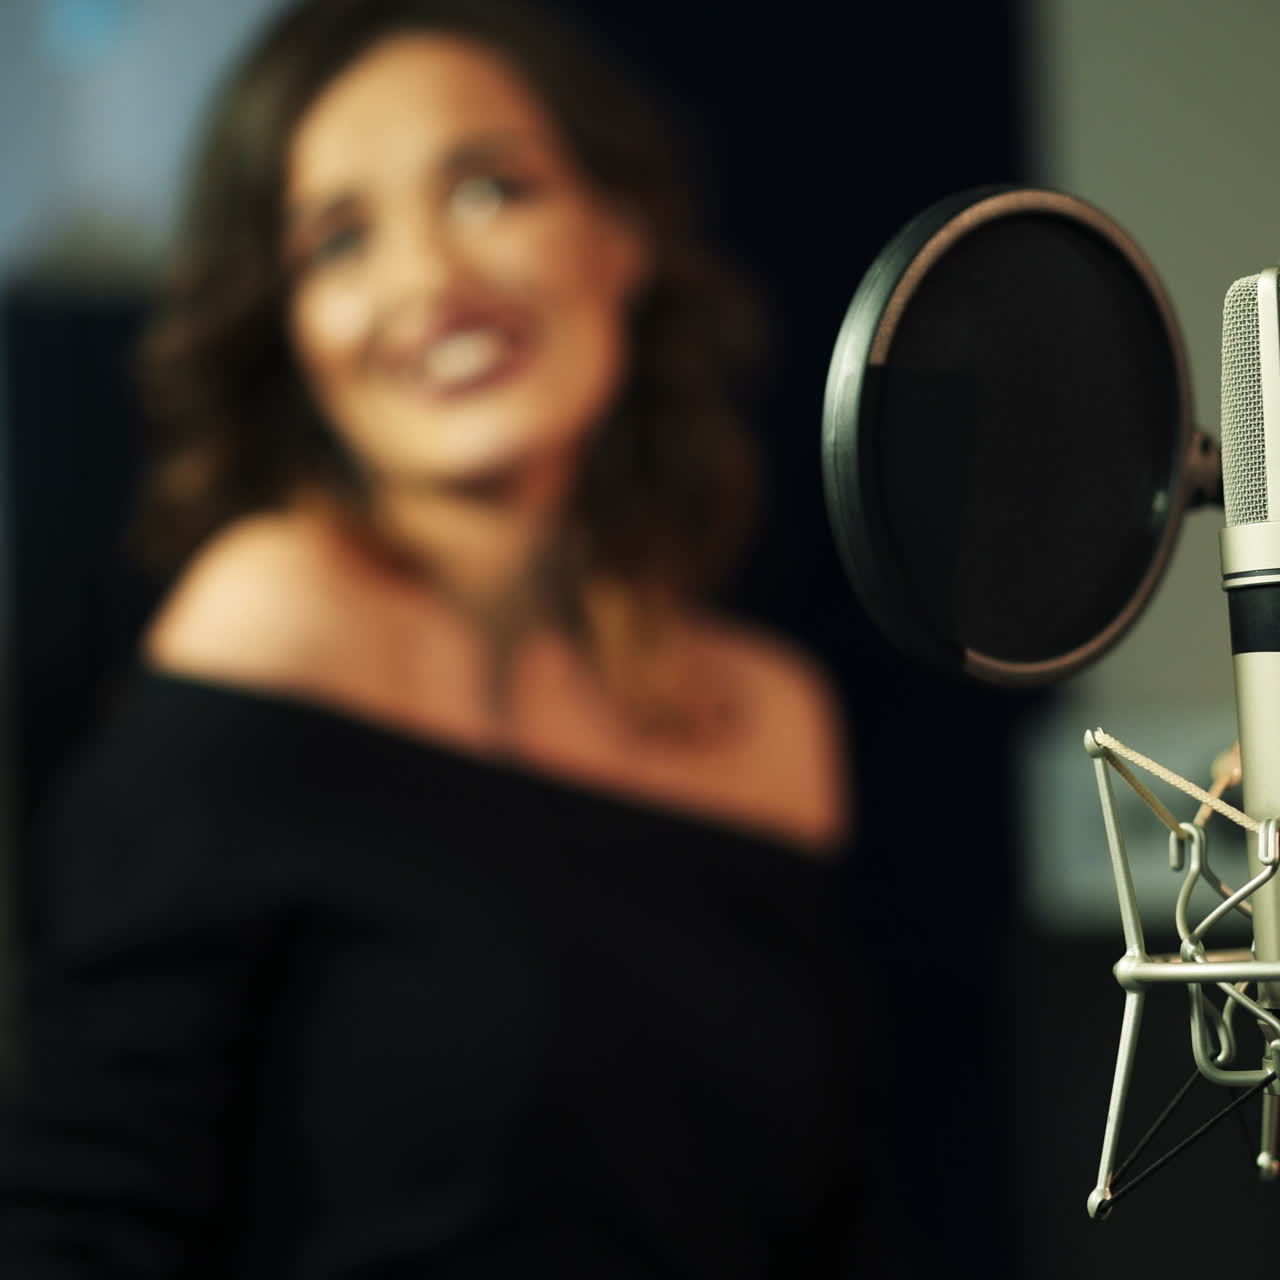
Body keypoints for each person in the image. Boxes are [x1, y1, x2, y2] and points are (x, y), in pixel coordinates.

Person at [0, 0, 865, 1274]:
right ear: (292, 333)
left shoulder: (774, 715)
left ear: (616, 234)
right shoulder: (271, 617)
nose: (429, 283)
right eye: (338, 241)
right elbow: (84, 1214)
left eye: (488, 190)